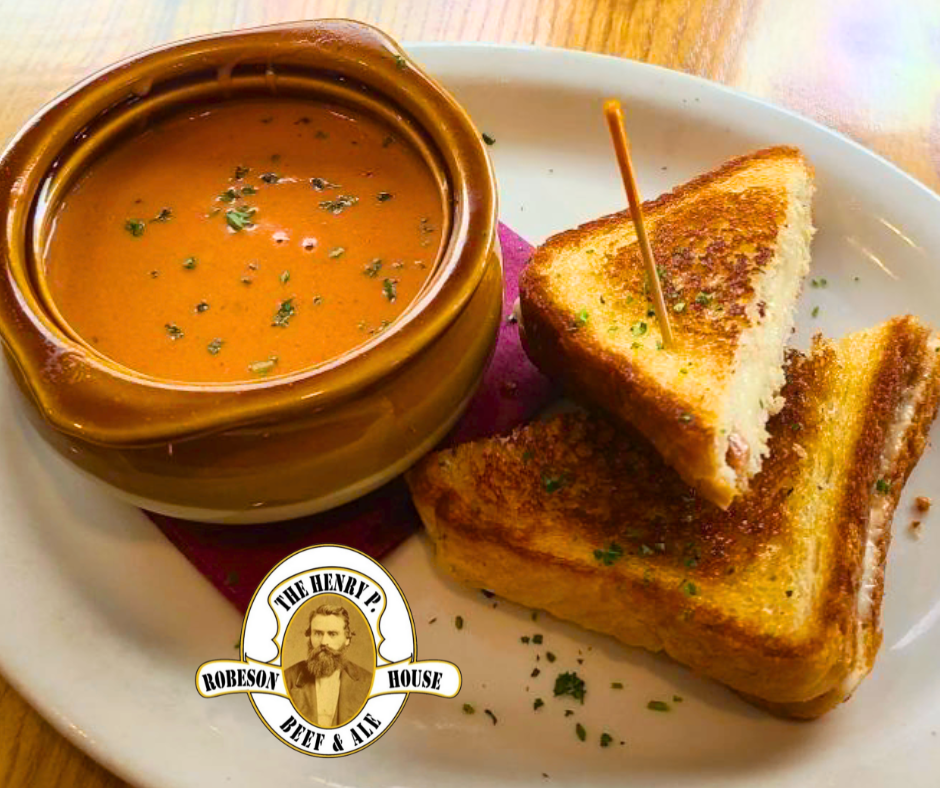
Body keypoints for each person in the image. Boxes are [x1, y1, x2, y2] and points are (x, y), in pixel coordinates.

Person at [284, 603, 373, 728]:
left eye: (332, 634)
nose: (324, 642)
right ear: (310, 636)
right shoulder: (287, 680)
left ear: (347, 639)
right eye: (317, 633)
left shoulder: (368, 683)